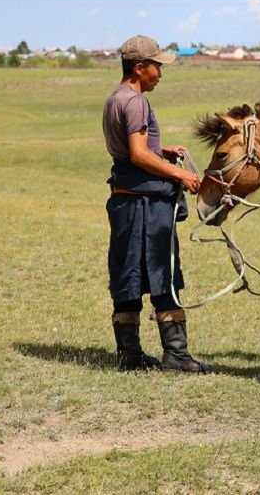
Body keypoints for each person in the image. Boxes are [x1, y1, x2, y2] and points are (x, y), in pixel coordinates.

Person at [102, 34, 210, 373]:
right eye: (157, 66)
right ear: (139, 68)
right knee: (163, 272)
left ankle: (130, 355)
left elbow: (126, 150)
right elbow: (136, 154)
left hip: (124, 201)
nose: (160, 73)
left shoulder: (114, 99)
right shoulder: (136, 102)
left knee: (129, 273)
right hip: (146, 205)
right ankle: (176, 356)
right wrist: (181, 176)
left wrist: (161, 151)